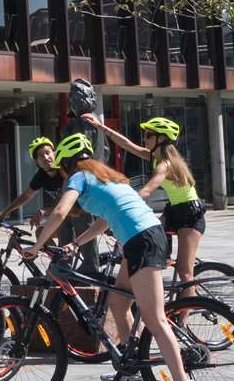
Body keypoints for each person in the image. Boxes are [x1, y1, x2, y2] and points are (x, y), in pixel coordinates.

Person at [37, 132, 190, 381]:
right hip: (141, 239)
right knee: (118, 304)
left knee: (155, 320)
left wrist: (37, 246)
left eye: (62, 169)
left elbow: (60, 211)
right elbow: (104, 221)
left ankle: (180, 378)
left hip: (142, 240)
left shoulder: (78, 176)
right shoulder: (107, 177)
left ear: (66, 163)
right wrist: (76, 243)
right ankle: (132, 368)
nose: (63, 175)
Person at [89, 115, 205, 293]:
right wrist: (102, 127)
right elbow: (127, 144)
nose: (144, 138)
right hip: (173, 210)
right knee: (147, 233)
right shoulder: (154, 157)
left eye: (149, 135)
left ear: (161, 139)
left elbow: (147, 191)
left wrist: (124, 206)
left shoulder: (165, 165)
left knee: (185, 273)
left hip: (190, 215)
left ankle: (188, 311)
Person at [0, 137, 64, 227]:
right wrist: (4, 212)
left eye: (48, 153)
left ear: (54, 153)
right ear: (37, 162)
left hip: (73, 212)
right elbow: (26, 195)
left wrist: (46, 211)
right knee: (40, 232)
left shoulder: (64, 171)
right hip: (62, 213)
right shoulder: (41, 176)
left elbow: (71, 204)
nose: (46, 158)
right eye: (41, 156)